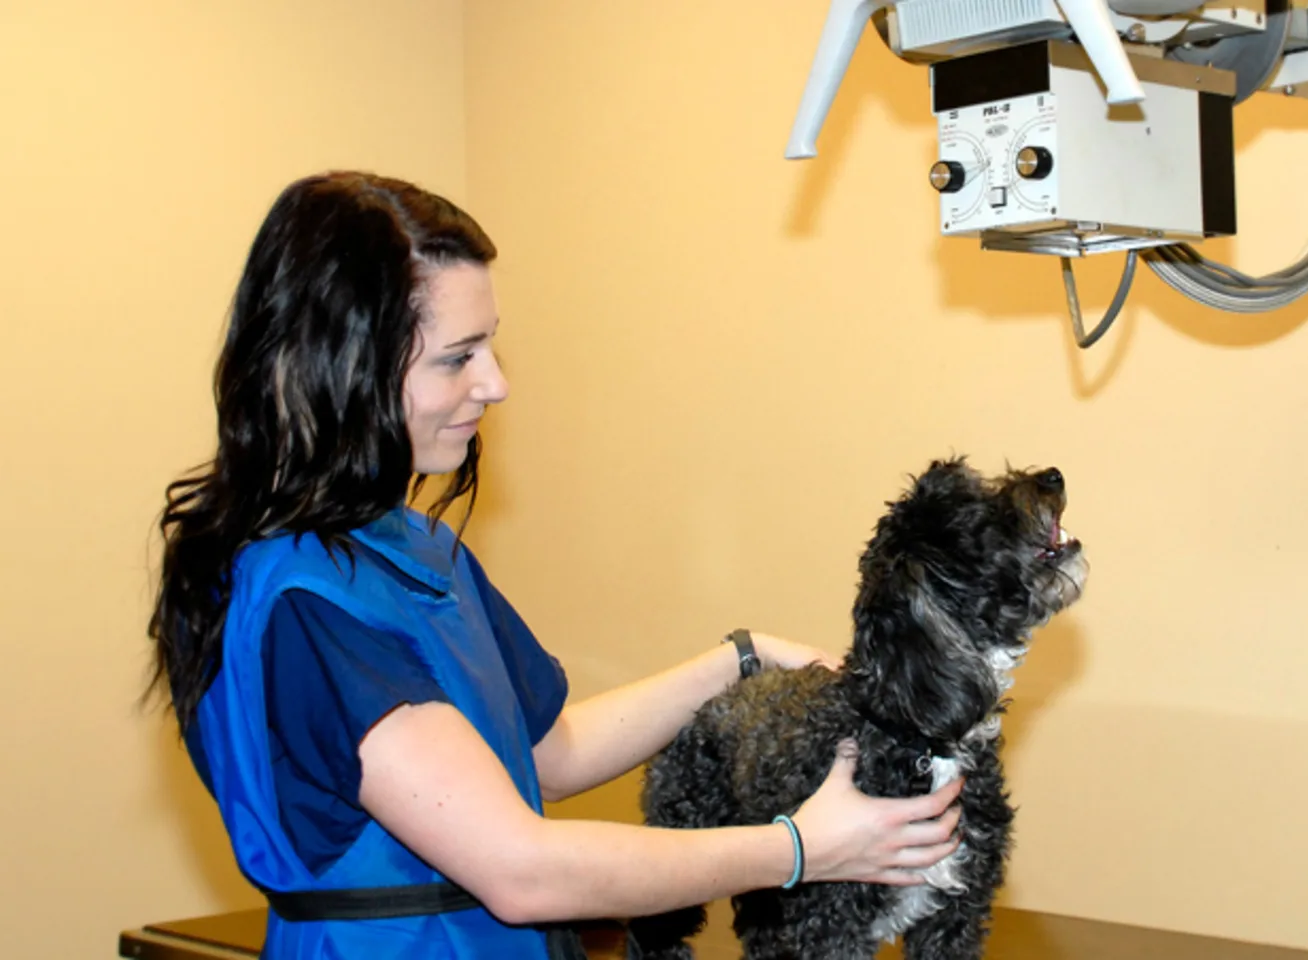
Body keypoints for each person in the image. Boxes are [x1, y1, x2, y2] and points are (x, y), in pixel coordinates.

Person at [146, 171, 965, 958]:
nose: (495, 384)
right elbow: (522, 869)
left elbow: (546, 754)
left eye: (491, 346)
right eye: (457, 357)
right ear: (345, 366)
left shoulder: (410, 553)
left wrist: (740, 659)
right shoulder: (303, 601)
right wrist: (799, 849)